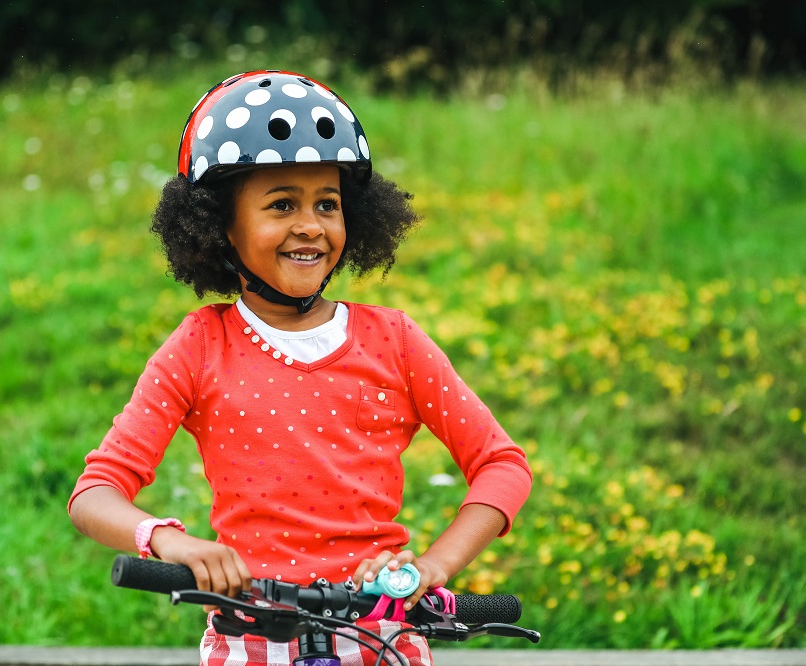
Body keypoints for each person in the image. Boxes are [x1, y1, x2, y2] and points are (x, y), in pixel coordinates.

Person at [68, 70, 532, 666]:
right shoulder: (200, 345)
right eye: (282, 204)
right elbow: (95, 493)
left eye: (328, 204)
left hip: (382, 637)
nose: (311, 225)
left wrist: (433, 565)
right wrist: (171, 542)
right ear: (218, 226)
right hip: (251, 637)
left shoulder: (394, 339)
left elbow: (502, 463)